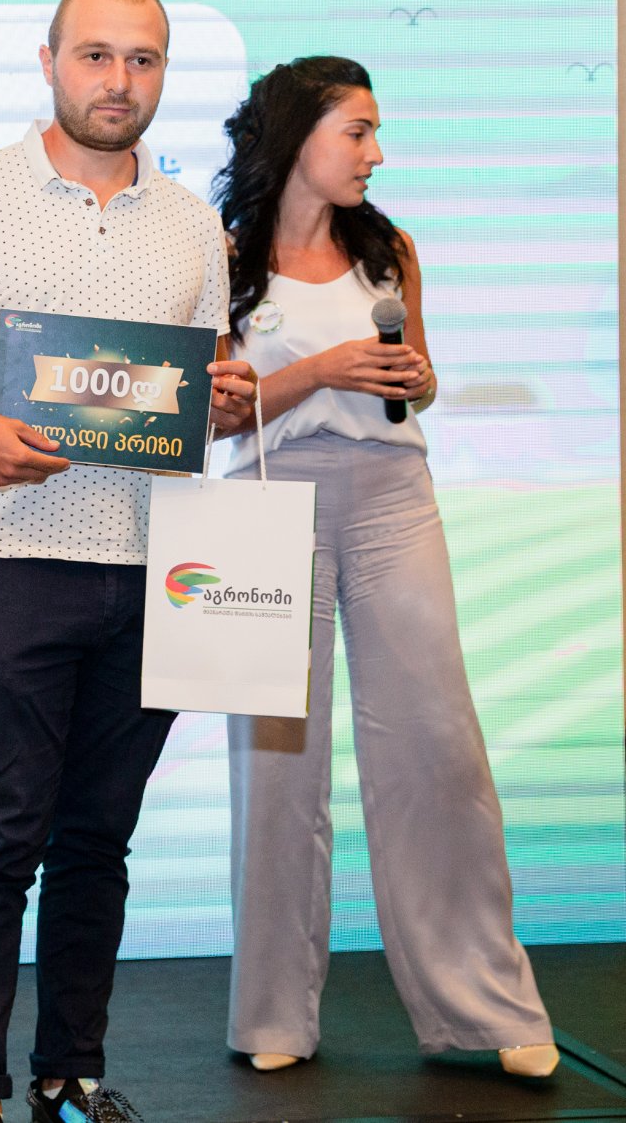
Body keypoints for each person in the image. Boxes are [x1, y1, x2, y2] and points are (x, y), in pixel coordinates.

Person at [0, 0, 258, 1123]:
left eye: (141, 59)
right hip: (8, 567)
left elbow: (197, 392)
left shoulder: (192, 224)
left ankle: (69, 1073)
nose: (116, 81)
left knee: (96, 844)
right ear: (47, 63)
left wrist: (227, 399)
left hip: (153, 571)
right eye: (94, 55)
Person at [210, 55, 558, 1079]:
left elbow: (419, 383)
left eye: (374, 132)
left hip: (392, 497)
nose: (374, 153)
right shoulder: (220, 254)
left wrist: (415, 375)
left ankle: (485, 1009)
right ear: (298, 137)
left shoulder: (388, 247)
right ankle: (273, 1016)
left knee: (437, 747)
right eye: (356, 131)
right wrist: (321, 370)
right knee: (275, 766)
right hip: (266, 502)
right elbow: (209, 417)